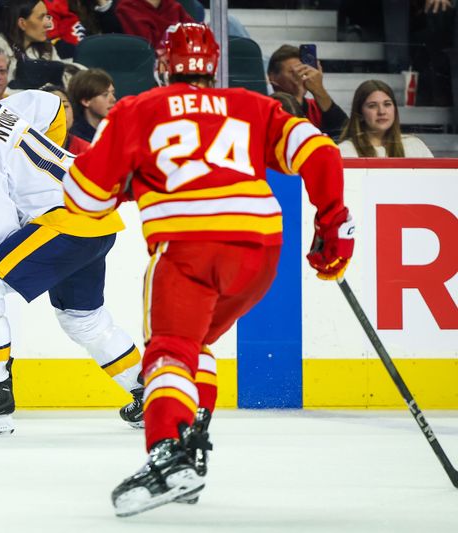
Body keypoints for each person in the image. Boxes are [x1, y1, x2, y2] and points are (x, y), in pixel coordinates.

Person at [63, 22, 355, 517]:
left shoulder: (138, 109)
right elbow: (321, 151)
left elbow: (83, 198)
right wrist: (332, 223)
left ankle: (168, 457)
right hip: (259, 251)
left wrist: (127, 187)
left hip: (188, 249)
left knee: (168, 352)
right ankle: (192, 445)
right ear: (215, 66)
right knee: (196, 346)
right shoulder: (253, 105)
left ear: (161, 67)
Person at [0, 68, 144, 435]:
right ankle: (148, 392)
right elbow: (51, 107)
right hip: (96, 211)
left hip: (66, 223)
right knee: (81, 318)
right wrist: (35, 178)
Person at [267, 44, 348, 139]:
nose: (301, 76)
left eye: (304, 70)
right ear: (272, 77)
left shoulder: (315, 106)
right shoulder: (267, 107)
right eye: (293, 72)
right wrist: (298, 95)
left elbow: (344, 132)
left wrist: (319, 90)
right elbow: (289, 136)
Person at [338, 79, 433, 157]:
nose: (381, 112)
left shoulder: (414, 146)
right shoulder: (346, 151)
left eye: (387, 104)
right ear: (360, 114)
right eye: (372, 106)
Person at [0, 0, 66, 88]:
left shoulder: (47, 48)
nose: (48, 24)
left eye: (47, 16)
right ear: (22, 23)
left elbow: (62, 81)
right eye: (41, 18)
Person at [115, 0, 194, 49]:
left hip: (183, 62)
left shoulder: (173, 6)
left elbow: (195, 34)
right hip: (147, 67)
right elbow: (148, 48)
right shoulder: (127, 8)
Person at [67, 68, 115, 143]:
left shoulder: (118, 130)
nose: (113, 99)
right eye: (105, 95)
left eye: (113, 93)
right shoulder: (74, 138)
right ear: (85, 101)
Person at [41, 83, 91, 154]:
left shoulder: (86, 150)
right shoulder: (25, 148)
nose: (61, 114)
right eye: (53, 108)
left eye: (65, 106)